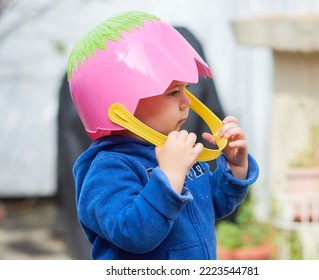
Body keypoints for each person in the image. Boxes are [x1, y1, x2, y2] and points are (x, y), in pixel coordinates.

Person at [67, 11, 259, 260]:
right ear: (122, 107)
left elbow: (212, 205)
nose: (185, 102)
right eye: (172, 92)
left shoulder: (173, 149)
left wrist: (234, 169)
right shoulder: (107, 169)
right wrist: (169, 178)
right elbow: (133, 234)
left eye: (186, 89)